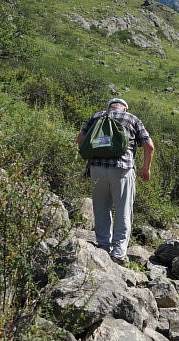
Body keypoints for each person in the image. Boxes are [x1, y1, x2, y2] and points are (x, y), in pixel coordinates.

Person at [76, 98, 154, 264]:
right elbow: (149, 146)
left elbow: (80, 140)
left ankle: (103, 246)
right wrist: (146, 168)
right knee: (123, 210)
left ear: (110, 107)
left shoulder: (96, 116)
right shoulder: (132, 119)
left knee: (101, 208)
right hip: (122, 170)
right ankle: (118, 253)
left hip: (97, 168)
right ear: (125, 108)